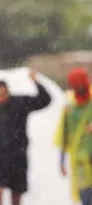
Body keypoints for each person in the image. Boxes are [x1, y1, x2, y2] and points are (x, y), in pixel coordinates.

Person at [0, 70, 51, 205]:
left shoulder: (20, 103)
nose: (0, 97)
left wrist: (36, 82)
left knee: (16, 198)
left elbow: (45, 100)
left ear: (8, 91)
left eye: (3, 94)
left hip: (17, 157)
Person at [55, 68, 92, 205]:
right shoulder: (70, 107)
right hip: (80, 162)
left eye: (82, 85)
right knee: (86, 197)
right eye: (77, 87)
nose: (80, 89)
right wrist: (61, 160)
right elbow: (63, 135)